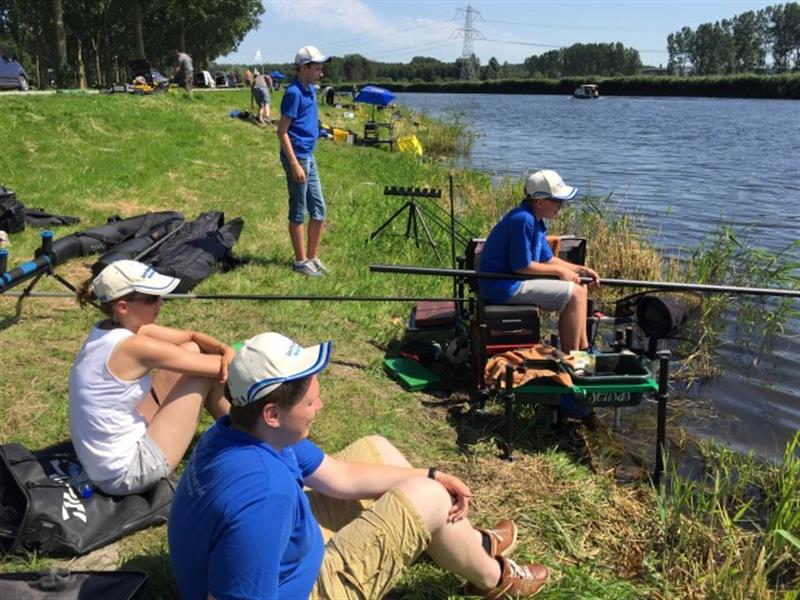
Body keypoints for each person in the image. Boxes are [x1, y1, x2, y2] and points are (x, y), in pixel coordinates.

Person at [168, 331, 551, 599]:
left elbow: (341, 476)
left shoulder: (241, 431)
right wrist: (432, 487)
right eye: (310, 403)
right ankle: (496, 579)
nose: (320, 407)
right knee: (430, 497)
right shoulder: (266, 496)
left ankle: (471, 544)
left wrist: (433, 473)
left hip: (286, 552)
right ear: (272, 413)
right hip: (311, 588)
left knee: (376, 449)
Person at [68, 260, 232, 496]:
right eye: (151, 298)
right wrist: (234, 354)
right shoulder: (135, 346)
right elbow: (222, 368)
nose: (160, 303)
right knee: (204, 375)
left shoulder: (107, 329)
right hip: (125, 474)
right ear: (123, 307)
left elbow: (192, 337)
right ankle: (253, 441)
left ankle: (244, 433)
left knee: (191, 351)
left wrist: (224, 348)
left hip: (104, 461)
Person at [478, 169, 600, 352]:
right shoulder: (522, 220)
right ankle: (572, 358)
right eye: (557, 201)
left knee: (580, 287)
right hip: (502, 286)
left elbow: (547, 259)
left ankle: (584, 350)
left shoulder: (535, 221)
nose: (561, 206)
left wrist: (580, 270)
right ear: (539, 201)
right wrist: (559, 272)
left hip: (513, 281)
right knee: (574, 294)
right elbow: (522, 266)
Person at [277, 45, 331, 277]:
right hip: (297, 157)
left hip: (309, 155)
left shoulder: (310, 90)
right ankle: (300, 262)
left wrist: (320, 131)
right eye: (317, 69)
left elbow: (307, 120)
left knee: (318, 209)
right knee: (299, 210)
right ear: (303, 68)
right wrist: (294, 164)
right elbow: (282, 131)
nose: (321, 73)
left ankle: (313, 257)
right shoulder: (294, 93)